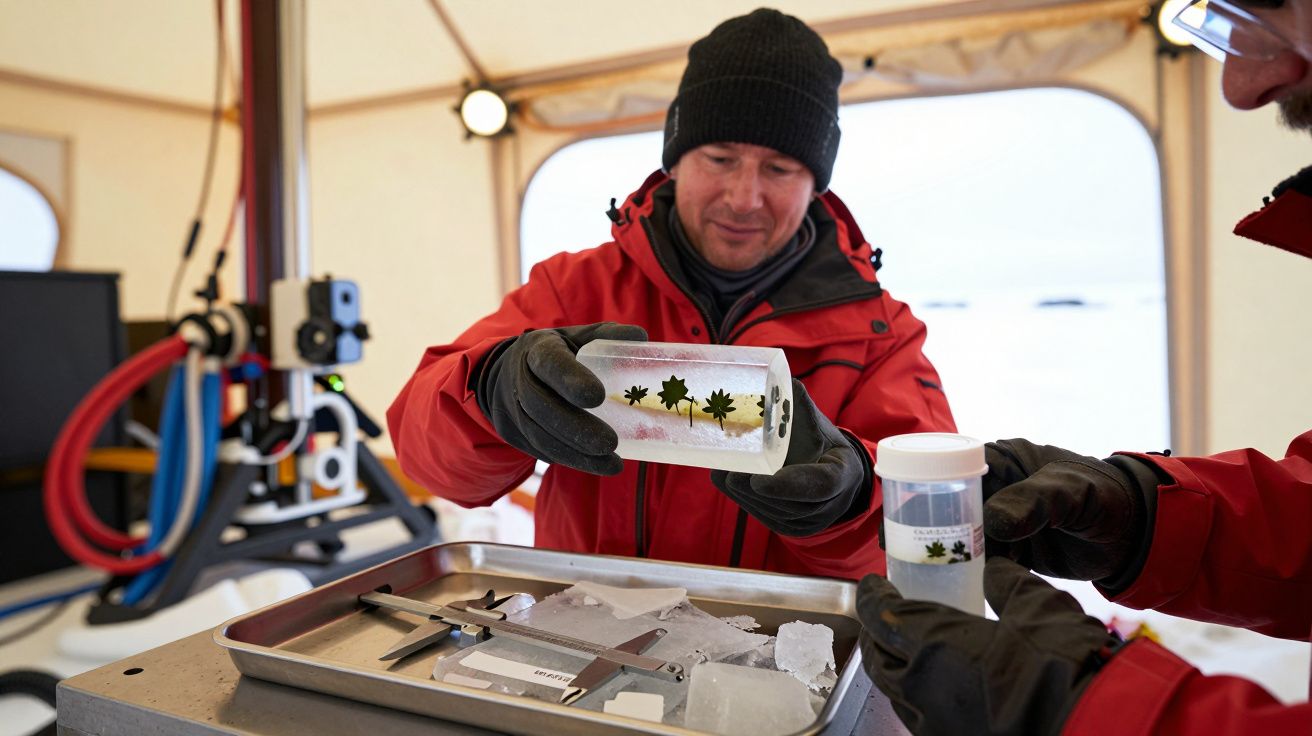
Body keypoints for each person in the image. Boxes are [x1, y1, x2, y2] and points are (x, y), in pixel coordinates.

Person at [855, 0, 1312, 733]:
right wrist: (1147, 516)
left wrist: (1074, 714)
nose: (1242, 84)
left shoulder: (880, 323)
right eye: (1224, 17)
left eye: (1274, 7)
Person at [388, 8, 955, 580]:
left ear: (815, 186)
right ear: (676, 160)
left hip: (783, 657)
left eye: (779, 168)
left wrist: (854, 499)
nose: (743, 197)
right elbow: (427, 456)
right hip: (587, 640)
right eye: (719, 158)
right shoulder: (576, 288)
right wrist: (490, 392)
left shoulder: (879, 333)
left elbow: (931, 532)